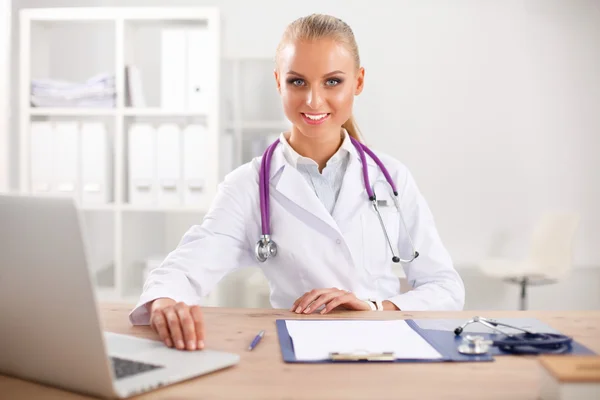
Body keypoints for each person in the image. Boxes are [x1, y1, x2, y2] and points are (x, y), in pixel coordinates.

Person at [129, 13, 465, 351]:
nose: (313, 101)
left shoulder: (391, 178)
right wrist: (164, 300)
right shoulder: (249, 185)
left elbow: (445, 287)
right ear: (278, 82)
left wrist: (377, 307)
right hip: (295, 352)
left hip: (384, 349)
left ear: (358, 82)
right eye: (297, 82)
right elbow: (188, 265)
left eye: (332, 81)